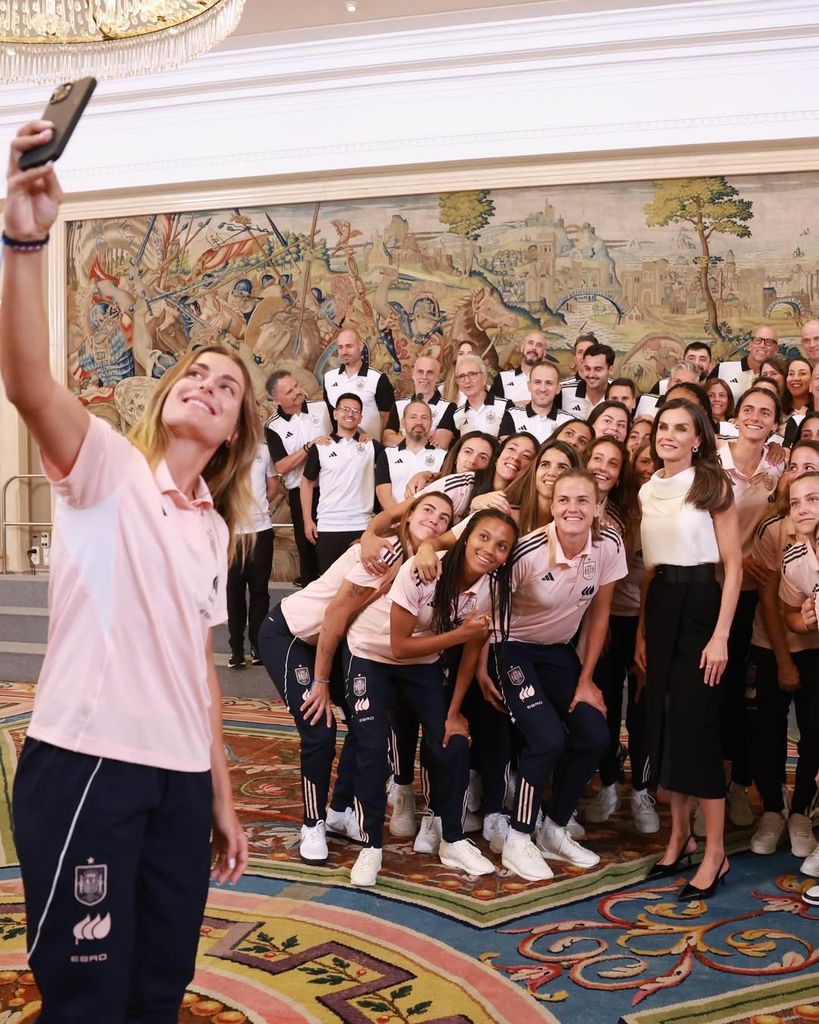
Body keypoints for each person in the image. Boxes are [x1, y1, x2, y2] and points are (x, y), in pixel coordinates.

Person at [3, 120, 249, 1018]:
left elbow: (198, 673)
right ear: (166, 395)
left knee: (157, 985)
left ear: (231, 435)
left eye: (227, 387)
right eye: (196, 371)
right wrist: (24, 239)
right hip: (89, 764)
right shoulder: (105, 469)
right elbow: (29, 383)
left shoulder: (211, 531)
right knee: (87, 995)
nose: (208, 384)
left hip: (180, 779)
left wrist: (221, 792)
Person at [257, 491, 454, 863]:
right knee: (320, 728)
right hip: (293, 634)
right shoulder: (386, 553)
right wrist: (320, 682)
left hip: (338, 644)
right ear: (408, 516)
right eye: (427, 510)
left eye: (444, 517)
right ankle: (312, 824)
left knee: (371, 726)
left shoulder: (425, 561)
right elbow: (334, 616)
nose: (435, 520)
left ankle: (340, 811)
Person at [345, 510, 519, 886]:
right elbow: (399, 645)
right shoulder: (423, 570)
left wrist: (454, 711)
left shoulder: (490, 588)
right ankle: (370, 846)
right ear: (466, 536)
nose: (490, 550)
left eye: (502, 546)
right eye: (484, 537)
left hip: (422, 663)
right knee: (372, 748)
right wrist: (459, 636)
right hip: (372, 655)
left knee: (452, 741)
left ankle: (452, 839)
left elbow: (472, 652)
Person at [477, 469, 627, 880]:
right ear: (552, 505)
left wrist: (586, 679)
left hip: (559, 651)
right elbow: (483, 611)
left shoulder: (610, 543)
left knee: (596, 734)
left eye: (582, 500)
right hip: (510, 649)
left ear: (598, 507)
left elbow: (600, 614)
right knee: (547, 738)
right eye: (563, 500)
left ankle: (554, 828)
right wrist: (479, 667)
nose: (572, 508)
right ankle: (518, 839)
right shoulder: (526, 552)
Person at [636, 399, 742, 898]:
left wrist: (721, 634)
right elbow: (651, 570)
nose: (670, 435)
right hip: (660, 606)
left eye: (682, 428)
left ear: (698, 438)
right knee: (667, 726)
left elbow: (734, 567)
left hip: (703, 606)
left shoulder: (711, 484)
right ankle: (681, 837)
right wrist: (640, 631)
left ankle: (716, 852)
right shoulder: (646, 489)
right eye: (663, 427)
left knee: (697, 730)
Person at [715, 387, 785, 830]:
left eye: (766, 412)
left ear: (776, 423)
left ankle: (738, 785)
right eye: (749, 410)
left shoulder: (778, 465)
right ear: (736, 418)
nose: (756, 417)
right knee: (713, 691)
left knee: (744, 694)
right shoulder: (713, 462)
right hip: (710, 586)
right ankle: (711, 786)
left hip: (751, 594)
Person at [746, 443, 819, 863]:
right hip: (772, 643)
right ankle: (773, 808)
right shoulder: (777, 535)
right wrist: (785, 658)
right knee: (766, 730)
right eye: (795, 471)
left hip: (815, 652)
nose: (802, 505)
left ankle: (803, 812)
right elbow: (779, 605)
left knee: (815, 730)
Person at [300, 392, 382, 572]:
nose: (350, 414)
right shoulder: (320, 447)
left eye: (355, 411)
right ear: (335, 414)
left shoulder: (371, 446)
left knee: (361, 584)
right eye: (345, 409)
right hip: (329, 526)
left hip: (362, 526)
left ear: (360, 417)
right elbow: (306, 484)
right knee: (329, 585)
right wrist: (307, 520)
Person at [265, 370, 332, 587]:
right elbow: (281, 466)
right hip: (301, 495)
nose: (297, 392)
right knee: (308, 549)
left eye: (296, 386)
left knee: (333, 549)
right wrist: (308, 447)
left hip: (333, 489)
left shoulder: (321, 409)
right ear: (277, 399)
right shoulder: (273, 426)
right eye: (289, 391)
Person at [227, 441, 278, 668]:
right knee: (234, 591)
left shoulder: (263, 450)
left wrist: (257, 508)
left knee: (259, 591)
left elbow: (272, 487)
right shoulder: (218, 448)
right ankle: (236, 649)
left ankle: (258, 647)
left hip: (261, 530)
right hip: (231, 533)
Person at [323, 327, 395, 440]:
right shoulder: (328, 378)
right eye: (340, 347)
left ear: (360, 346)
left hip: (370, 448)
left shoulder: (378, 379)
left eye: (349, 346)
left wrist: (380, 448)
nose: (344, 352)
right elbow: (330, 415)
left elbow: (387, 418)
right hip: (339, 449)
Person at [375, 400, 446, 511]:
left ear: (431, 423)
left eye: (424, 417)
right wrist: (399, 519)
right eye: (413, 417)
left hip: (429, 524)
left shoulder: (444, 456)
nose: (419, 422)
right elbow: (383, 494)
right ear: (403, 422)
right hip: (395, 524)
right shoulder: (387, 454)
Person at [382, 354, 456, 449]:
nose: (424, 377)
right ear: (413, 374)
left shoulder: (449, 407)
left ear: (438, 376)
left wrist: (401, 438)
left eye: (430, 372)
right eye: (420, 372)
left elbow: (440, 444)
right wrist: (426, 438)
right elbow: (387, 440)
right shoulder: (398, 405)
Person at [498, 361, 572, 442]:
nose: (543, 389)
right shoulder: (512, 415)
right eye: (537, 382)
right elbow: (507, 451)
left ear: (558, 388)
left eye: (549, 383)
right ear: (529, 386)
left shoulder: (568, 422)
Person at [710, 325, 779, 401]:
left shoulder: (780, 377)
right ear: (749, 345)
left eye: (769, 342)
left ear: (776, 349)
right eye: (757, 340)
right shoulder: (723, 369)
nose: (762, 345)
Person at [451, 353, 511, 438]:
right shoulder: (457, 415)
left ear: (484, 378)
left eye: (472, 374)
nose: (467, 380)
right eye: (461, 376)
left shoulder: (505, 406)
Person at [490, 330, 548, 406]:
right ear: (522, 348)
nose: (534, 348)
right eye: (530, 343)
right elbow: (492, 409)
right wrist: (518, 405)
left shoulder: (550, 381)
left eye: (539, 345)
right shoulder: (502, 378)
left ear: (544, 354)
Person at [561, 343, 614, 419]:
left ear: (610, 370)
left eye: (598, 369)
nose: (591, 375)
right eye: (587, 368)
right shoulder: (564, 391)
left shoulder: (618, 395)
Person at [782, 357, 814, 447]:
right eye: (791, 374)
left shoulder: (815, 412)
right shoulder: (776, 410)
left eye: (802, 373)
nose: (796, 378)